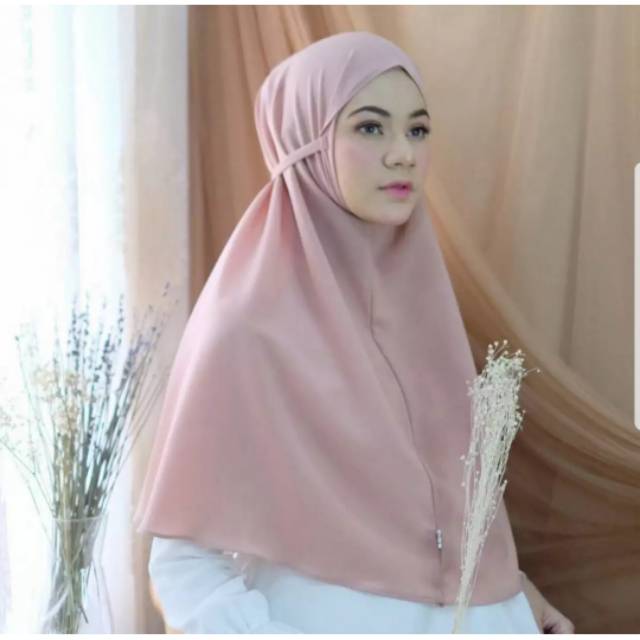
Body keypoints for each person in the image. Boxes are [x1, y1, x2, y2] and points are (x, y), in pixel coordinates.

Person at [134, 31, 568, 633]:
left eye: (418, 130)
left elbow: (437, 508)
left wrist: (509, 592)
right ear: (307, 143)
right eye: (370, 127)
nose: (403, 154)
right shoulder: (246, 328)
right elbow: (183, 564)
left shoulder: (425, 310)